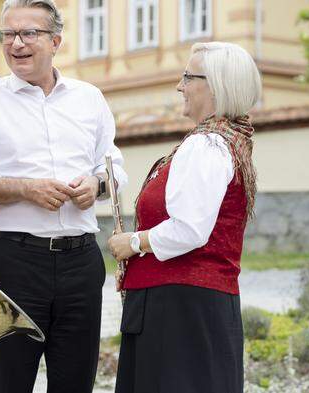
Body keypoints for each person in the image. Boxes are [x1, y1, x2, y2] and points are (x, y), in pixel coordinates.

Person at [0, 1, 127, 391]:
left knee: (75, 382)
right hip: (14, 263)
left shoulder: (90, 98)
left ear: (56, 40)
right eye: (7, 35)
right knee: (11, 383)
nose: (16, 43)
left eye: (29, 33)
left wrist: (95, 186)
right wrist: (25, 188)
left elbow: (114, 167)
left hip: (81, 261)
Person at [107, 42, 261, 393]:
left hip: (178, 310)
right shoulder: (227, 141)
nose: (180, 86)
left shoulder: (206, 145)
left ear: (215, 85)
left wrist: (132, 243)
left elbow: (189, 230)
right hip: (191, 306)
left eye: (188, 77)